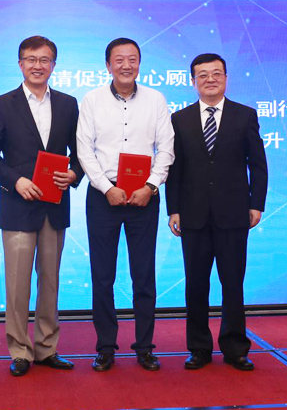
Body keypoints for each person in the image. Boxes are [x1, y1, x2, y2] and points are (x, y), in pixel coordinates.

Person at [0, 36, 83, 377]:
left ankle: (47, 348)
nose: (38, 65)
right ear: (20, 64)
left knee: (50, 282)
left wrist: (75, 173)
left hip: (54, 206)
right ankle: (20, 351)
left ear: (54, 64)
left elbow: (81, 151)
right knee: (17, 284)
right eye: (31, 59)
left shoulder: (68, 104)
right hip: (18, 206)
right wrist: (15, 181)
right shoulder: (2, 104)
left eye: (45, 60)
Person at [76, 38, 174, 372]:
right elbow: (84, 150)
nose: (126, 65)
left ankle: (145, 347)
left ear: (140, 64)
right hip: (103, 197)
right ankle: (105, 347)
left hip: (144, 197)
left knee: (143, 276)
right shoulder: (92, 100)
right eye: (119, 59)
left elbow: (166, 148)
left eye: (132, 59)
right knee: (102, 276)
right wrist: (106, 187)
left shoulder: (156, 99)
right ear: (108, 65)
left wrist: (151, 186)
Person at [166, 53, 268, 371]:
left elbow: (258, 165)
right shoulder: (179, 119)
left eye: (216, 73)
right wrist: (173, 209)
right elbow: (175, 169)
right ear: (192, 81)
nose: (210, 79)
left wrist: (256, 203)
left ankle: (235, 348)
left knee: (232, 284)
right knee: (196, 285)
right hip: (193, 215)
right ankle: (199, 348)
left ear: (225, 78)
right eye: (203, 74)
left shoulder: (245, 115)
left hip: (234, 214)